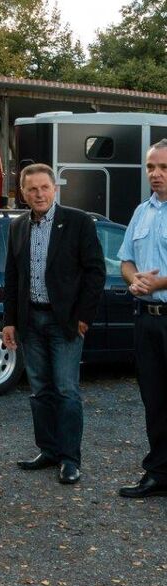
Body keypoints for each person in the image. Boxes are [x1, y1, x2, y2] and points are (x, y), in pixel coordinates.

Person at [2, 163, 105, 484]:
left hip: (66, 324)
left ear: (54, 188)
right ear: (22, 193)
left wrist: (83, 318)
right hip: (29, 321)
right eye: (32, 189)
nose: (39, 194)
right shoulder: (18, 226)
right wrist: (9, 321)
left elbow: (95, 272)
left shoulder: (76, 223)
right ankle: (48, 450)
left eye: (44, 187)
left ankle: (70, 459)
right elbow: (13, 277)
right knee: (40, 391)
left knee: (65, 390)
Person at [118, 139, 167, 498]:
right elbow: (124, 259)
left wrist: (161, 281)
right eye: (151, 167)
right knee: (154, 400)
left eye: (164, 168)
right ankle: (158, 474)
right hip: (147, 320)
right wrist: (134, 279)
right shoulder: (141, 212)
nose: (156, 174)